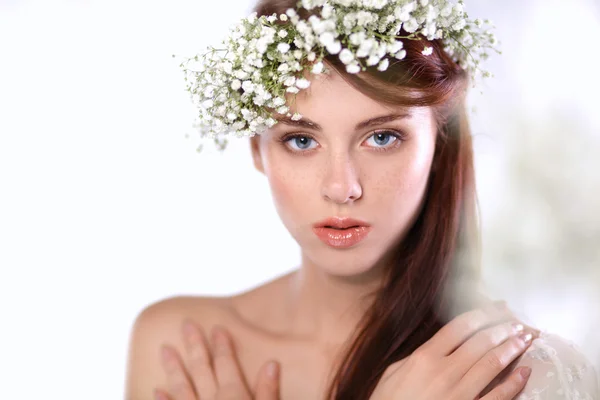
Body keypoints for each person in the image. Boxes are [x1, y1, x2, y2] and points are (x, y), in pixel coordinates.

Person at [125, 0, 599, 399]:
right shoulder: (182, 349)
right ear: (257, 149)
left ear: (439, 144)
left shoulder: (515, 374)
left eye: (383, 137)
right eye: (301, 141)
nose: (342, 186)